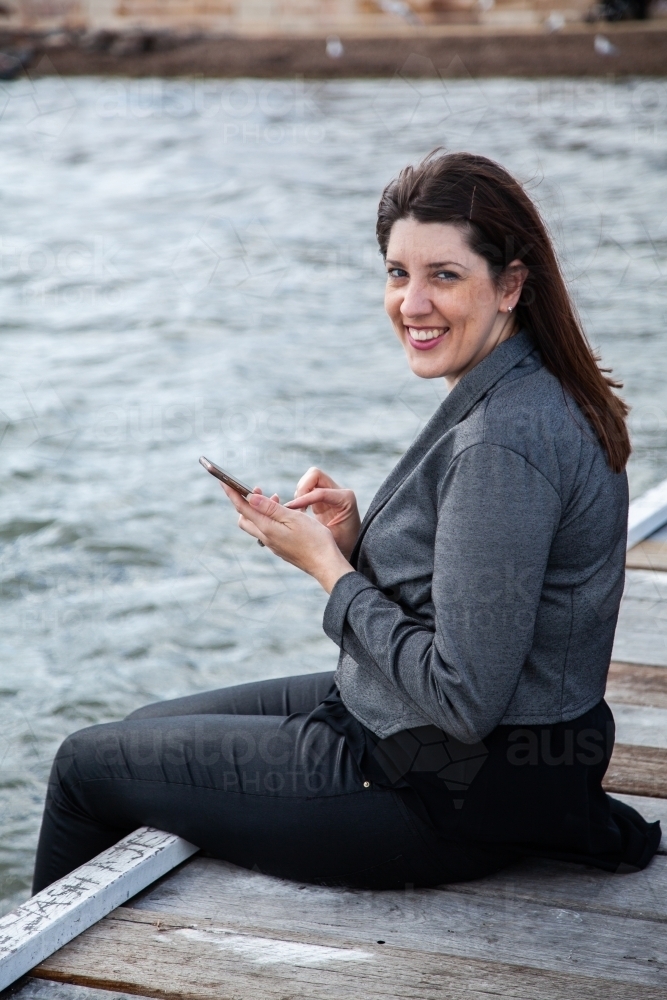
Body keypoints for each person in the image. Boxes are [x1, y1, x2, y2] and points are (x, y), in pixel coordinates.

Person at [33, 151, 661, 894]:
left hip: (436, 791)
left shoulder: (501, 440)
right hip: (466, 756)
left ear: (511, 285)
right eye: (398, 273)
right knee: (138, 731)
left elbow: (463, 698)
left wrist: (327, 571)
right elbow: (495, 593)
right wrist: (361, 542)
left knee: (85, 764)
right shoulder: (526, 390)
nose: (412, 302)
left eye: (444, 276)